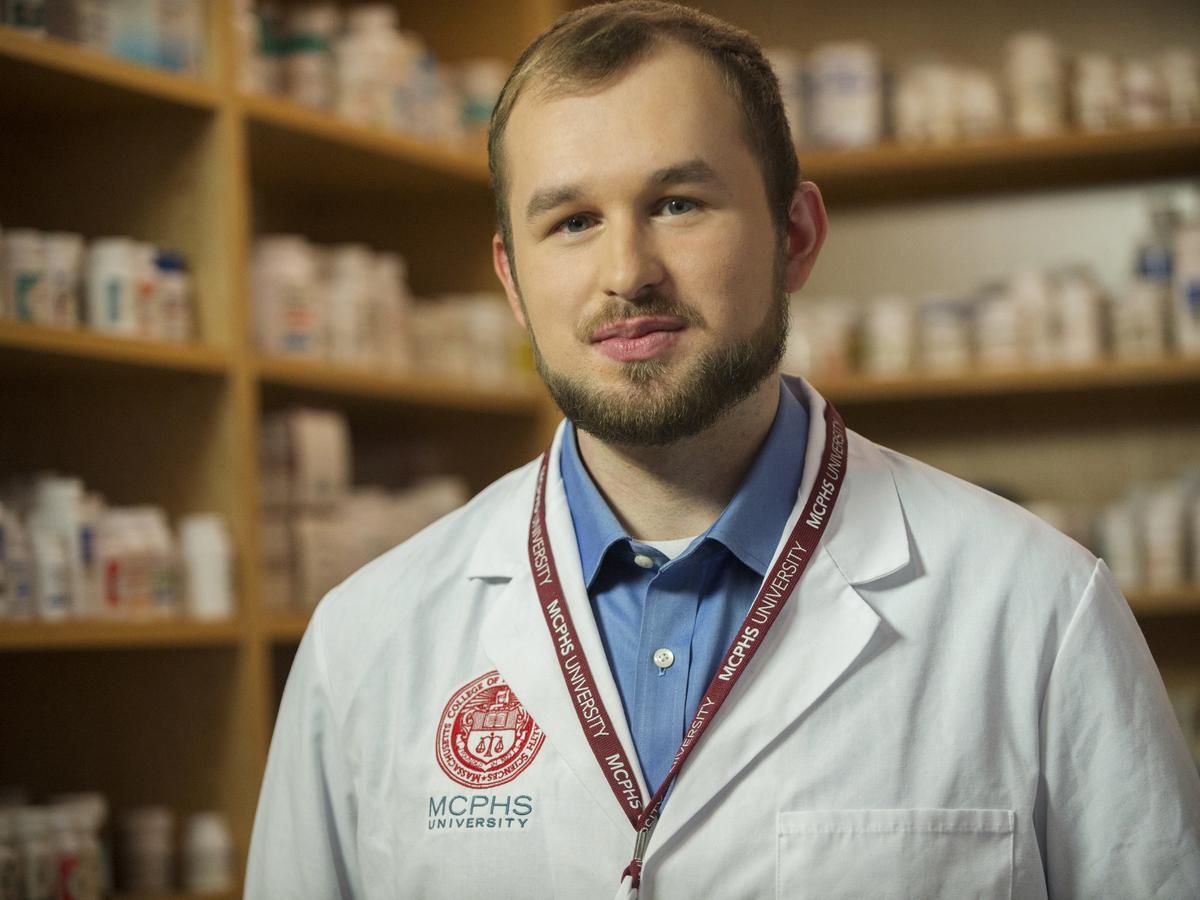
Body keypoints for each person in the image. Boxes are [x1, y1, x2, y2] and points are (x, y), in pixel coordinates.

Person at [246, 3, 1200, 897]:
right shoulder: (365, 642)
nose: (627, 274)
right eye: (571, 222)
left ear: (796, 236)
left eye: (678, 204)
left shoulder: (1036, 609)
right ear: (510, 275)